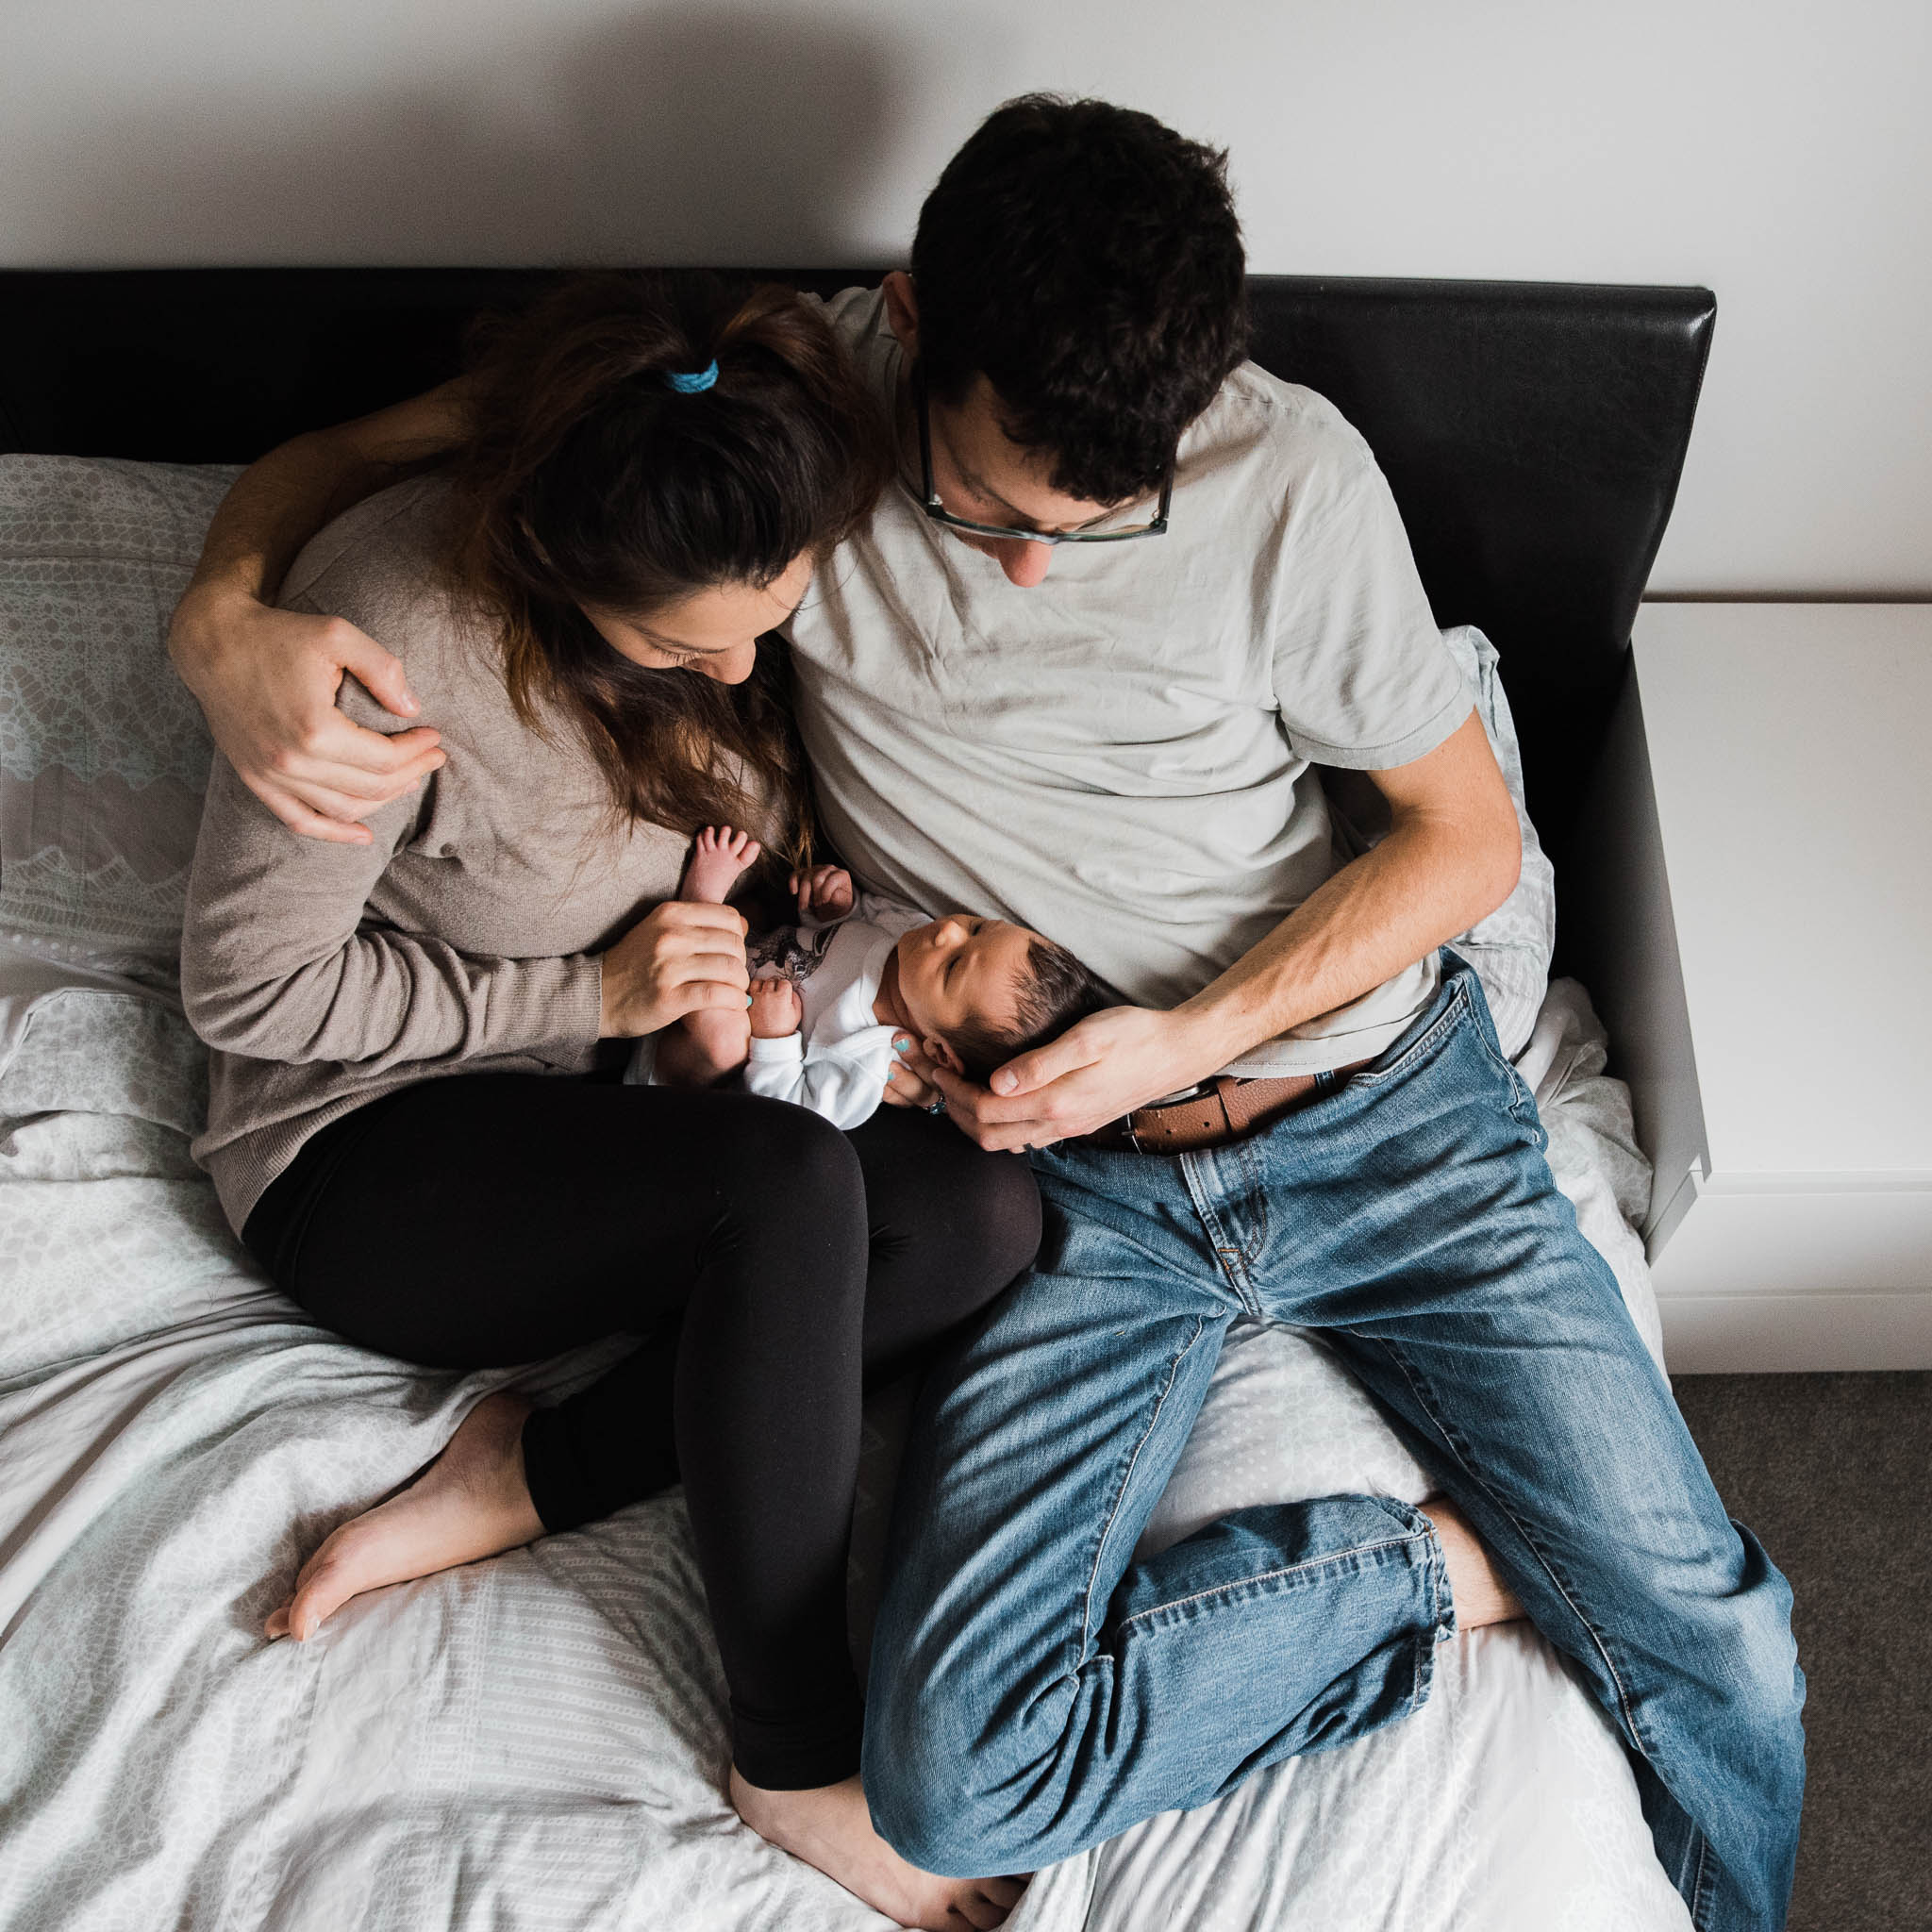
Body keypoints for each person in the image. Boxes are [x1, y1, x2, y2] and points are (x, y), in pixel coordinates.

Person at [167, 98, 1806, 1932]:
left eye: (1092, 523)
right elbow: (364, 467)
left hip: (1370, 1107)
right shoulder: (764, 425)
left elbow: (1465, 840)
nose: (1023, 567)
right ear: (912, 330)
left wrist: (1180, 1035)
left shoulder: (1291, 483)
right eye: (980, 509)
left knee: (1718, 1642)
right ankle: (1376, 1590)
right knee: (950, 1761)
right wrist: (222, 617)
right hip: (1053, 1163)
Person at [177, 271, 1034, 1932]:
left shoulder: (726, 437)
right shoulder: (386, 655)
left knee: (978, 1217)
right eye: (679, 639)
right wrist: (592, 994)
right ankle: (785, 1751)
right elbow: (251, 993)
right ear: (563, 574)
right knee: (786, 1188)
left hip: (616, 1107)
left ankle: (530, 1466)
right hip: (360, 1147)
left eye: (767, 614)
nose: (736, 660)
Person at [643, 823, 1107, 1126]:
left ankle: (699, 897)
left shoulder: (869, 1061)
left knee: (724, 1035)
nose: (946, 932)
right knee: (749, 920)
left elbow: (791, 1115)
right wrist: (835, 906)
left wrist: (775, 1039)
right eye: (976, 928)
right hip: (715, 968)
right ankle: (700, 926)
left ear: (938, 1051)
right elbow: (850, 926)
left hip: (683, 1069)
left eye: (952, 967)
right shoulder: (911, 934)